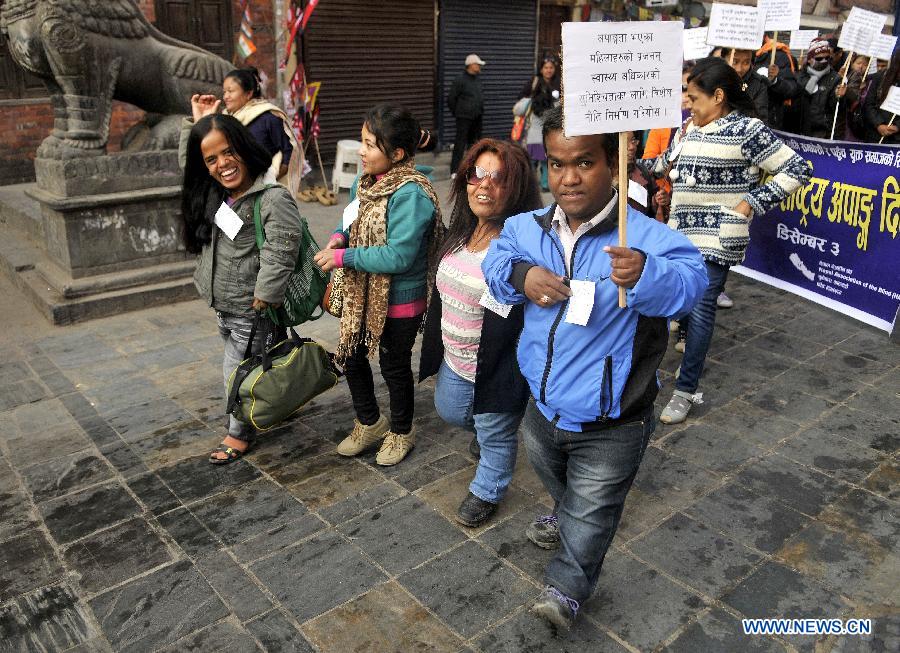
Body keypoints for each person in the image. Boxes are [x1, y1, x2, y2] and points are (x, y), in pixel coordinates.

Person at [482, 105, 708, 629]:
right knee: (564, 489)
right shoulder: (526, 227)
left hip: (615, 419)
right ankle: (565, 512)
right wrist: (522, 274)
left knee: (592, 512)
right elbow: (494, 262)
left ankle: (565, 589)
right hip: (541, 407)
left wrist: (646, 274)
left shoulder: (643, 236)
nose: (567, 177)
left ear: (615, 161)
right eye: (556, 164)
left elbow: (690, 285)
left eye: (583, 162)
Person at [643, 57, 812, 425]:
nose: (687, 103)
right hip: (677, 236)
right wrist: (630, 162)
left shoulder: (749, 131)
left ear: (718, 95)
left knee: (702, 308)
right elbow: (663, 165)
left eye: (693, 96)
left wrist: (750, 202)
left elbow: (799, 169)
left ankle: (685, 390)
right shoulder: (688, 129)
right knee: (670, 304)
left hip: (718, 238)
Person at [420, 138, 542, 527]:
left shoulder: (523, 245)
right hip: (455, 358)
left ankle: (488, 487)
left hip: (497, 365)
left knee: (495, 430)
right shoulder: (462, 228)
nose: (483, 185)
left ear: (517, 187)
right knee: (451, 411)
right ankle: (493, 434)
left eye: (498, 177)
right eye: (477, 174)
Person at [314, 104, 445, 466]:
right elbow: (352, 223)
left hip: (400, 300)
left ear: (397, 153)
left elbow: (398, 256)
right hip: (361, 295)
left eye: (370, 144)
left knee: (394, 367)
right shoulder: (366, 184)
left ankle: (402, 431)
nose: (362, 150)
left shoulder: (411, 195)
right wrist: (340, 238)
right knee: (351, 358)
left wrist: (344, 258)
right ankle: (369, 422)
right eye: (363, 141)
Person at [180, 114, 303, 464]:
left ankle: (237, 434)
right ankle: (280, 400)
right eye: (211, 159)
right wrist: (193, 123)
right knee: (264, 360)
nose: (223, 164)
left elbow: (282, 248)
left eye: (228, 151)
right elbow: (187, 168)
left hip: (252, 308)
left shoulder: (270, 198)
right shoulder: (221, 195)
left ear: (244, 148)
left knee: (235, 373)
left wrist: (265, 293)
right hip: (227, 306)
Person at [189, 68, 300, 198]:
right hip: (232, 193)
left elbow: (289, 153)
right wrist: (201, 122)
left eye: (230, 91)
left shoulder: (268, 117)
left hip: (266, 192)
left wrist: (269, 179)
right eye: (224, 92)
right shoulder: (223, 121)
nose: (225, 96)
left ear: (248, 93)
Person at [521, 56, 561, 191]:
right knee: (532, 156)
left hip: (551, 124)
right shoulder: (535, 81)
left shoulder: (558, 83)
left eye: (551, 68)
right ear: (541, 69)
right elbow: (522, 96)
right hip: (535, 124)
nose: (548, 70)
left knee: (546, 156)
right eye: (546, 67)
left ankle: (545, 184)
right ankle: (530, 183)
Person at [448, 54, 486, 176]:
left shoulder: (477, 79)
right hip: (464, 117)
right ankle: (454, 170)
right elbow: (451, 99)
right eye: (478, 64)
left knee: (474, 144)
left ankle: (472, 169)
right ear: (471, 65)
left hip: (477, 116)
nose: (480, 67)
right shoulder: (460, 79)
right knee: (460, 143)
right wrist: (458, 112)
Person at [796, 38, 842, 139]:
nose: (824, 61)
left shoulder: (835, 78)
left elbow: (836, 108)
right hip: (799, 129)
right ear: (809, 59)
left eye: (827, 58)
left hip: (821, 133)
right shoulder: (800, 75)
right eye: (819, 59)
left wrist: (839, 96)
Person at [753, 36, 801, 131]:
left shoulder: (778, 55)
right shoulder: (733, 50)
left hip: (767, 123)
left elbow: (791, 89)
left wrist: (775, 81)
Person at [864, 49, 900, 145]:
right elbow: (869, 104)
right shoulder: (881, 77)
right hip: (875, 135)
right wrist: (879, 124)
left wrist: (897, 126)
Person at [725, 49, 769, 125]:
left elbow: (760, 120)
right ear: (724, 58)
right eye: (735, 62)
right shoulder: (713, 78)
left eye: (746, 62)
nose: (739, 69)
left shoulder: (759, 84)